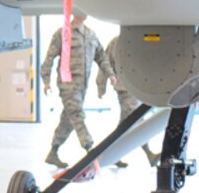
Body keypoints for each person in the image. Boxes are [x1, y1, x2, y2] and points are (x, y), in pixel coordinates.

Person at [40, 11, 113, 169]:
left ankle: (53, 151)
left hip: (82, 85)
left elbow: (101, 57)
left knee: (68, 119)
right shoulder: (63, 33)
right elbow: (49, 57)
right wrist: (46, 80)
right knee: (77, 114)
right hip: (67, 83)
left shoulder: (91, 35)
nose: (85, 13)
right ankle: (90, 149)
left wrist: (111, 75)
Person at [95, 34, 159, 168]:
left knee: (126, 124)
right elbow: (105, 64)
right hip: (124, 88)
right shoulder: (116, 42)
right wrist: (101, 86)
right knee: (135, 120)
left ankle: (112, 155)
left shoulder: (142, 39)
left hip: (139, 88)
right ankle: (148, 153)